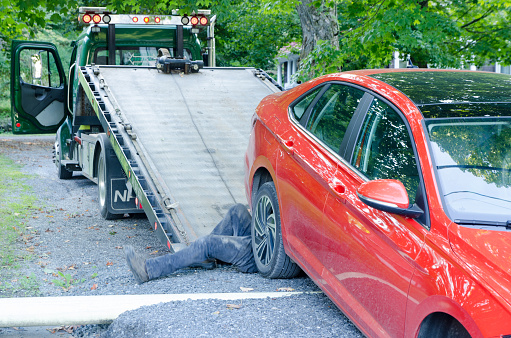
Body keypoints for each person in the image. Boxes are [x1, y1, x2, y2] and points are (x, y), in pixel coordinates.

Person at [125, 203, 257, 284]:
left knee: (206, 244)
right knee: (237, 210)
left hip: (259, 253)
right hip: (262, 238)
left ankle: (148, 270)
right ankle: (206, 257)